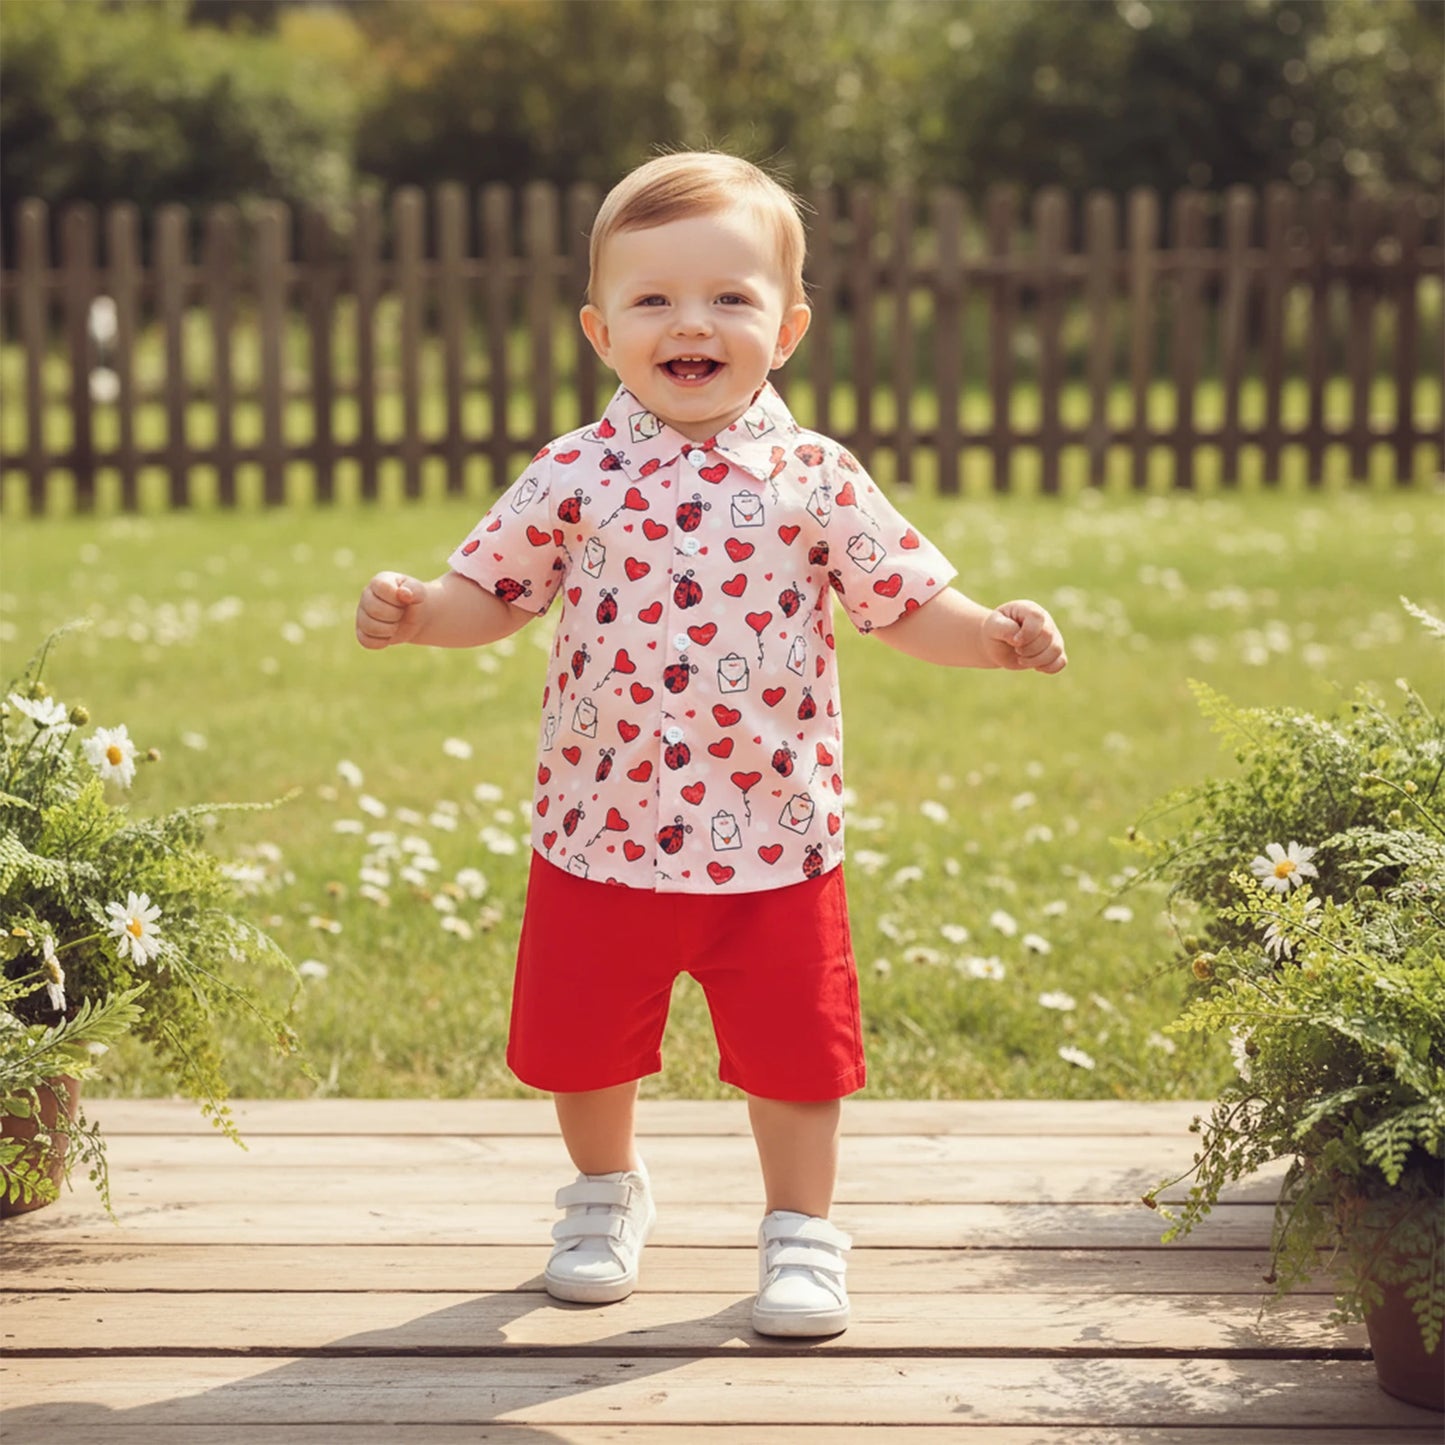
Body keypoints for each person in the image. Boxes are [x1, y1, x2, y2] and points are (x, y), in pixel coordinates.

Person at [355, 151, 1067, 1338]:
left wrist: (988, 635)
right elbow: (495, 589)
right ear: (600, 331)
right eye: (653, 299)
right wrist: (426, 612)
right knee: (585, 1046)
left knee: (797, 1056)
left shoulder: (815, 476)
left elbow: (901, 601)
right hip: (601, 824)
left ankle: (800, 1230)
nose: (690, 323)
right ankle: (603, 1192)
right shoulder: (573, 473)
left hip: (773, 832)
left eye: (729, 297)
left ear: (785, 328)